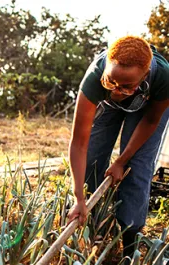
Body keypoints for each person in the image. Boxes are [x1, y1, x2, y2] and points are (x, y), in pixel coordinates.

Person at [67, 36, 169, 260]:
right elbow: (79, 142)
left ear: (144, 75)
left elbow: (151, 121)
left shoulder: (163, 77)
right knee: (91, 160)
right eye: (111, 82)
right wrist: (78, 198)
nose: (117, 91)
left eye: (126, 85)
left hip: (146, 108)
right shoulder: (96, 78)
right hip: (107, 106)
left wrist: (121, 161)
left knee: (137, 168)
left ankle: (129, 246)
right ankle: (89, 228)